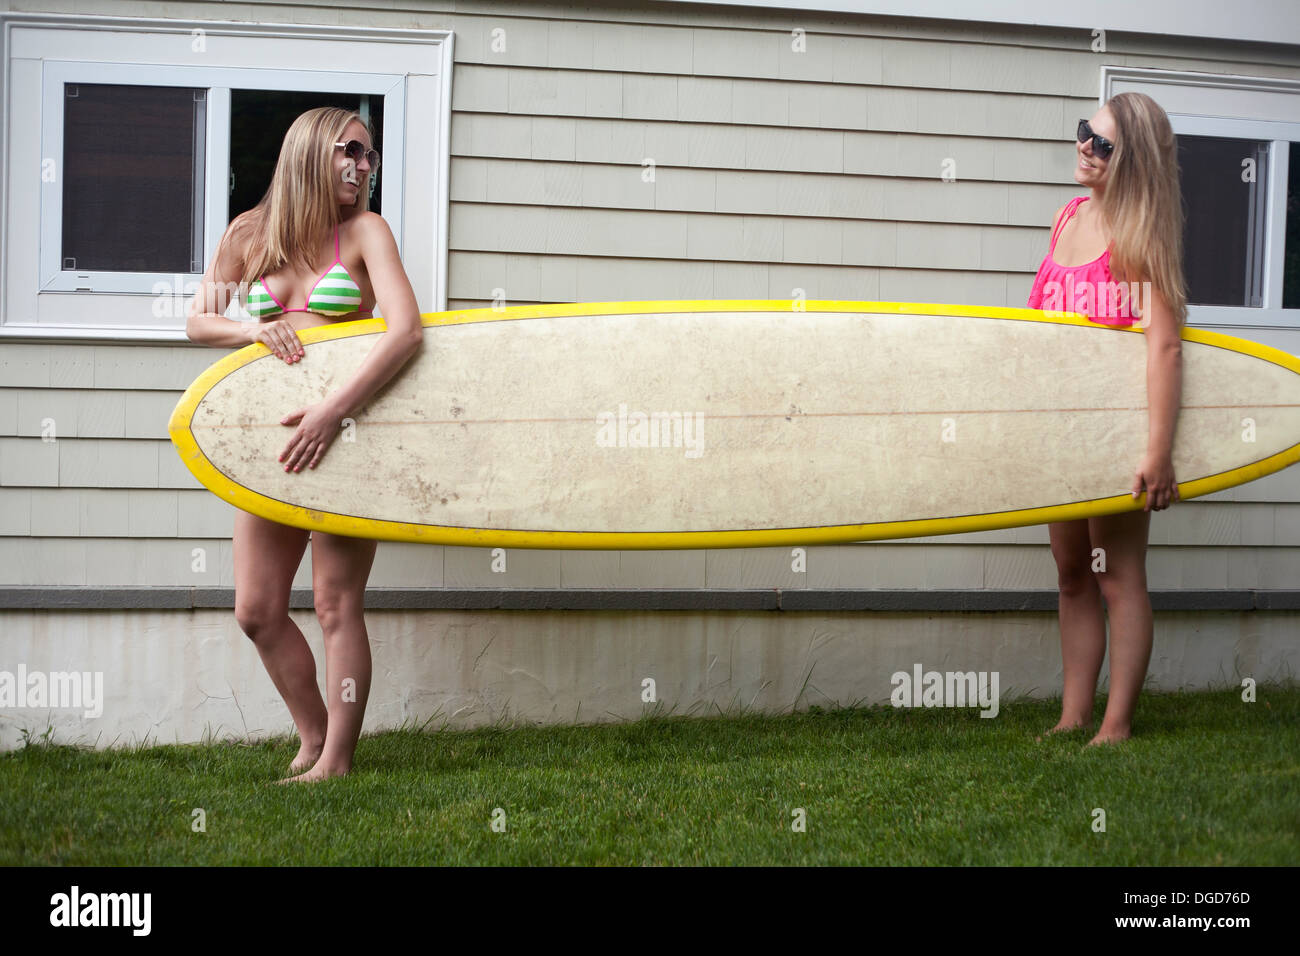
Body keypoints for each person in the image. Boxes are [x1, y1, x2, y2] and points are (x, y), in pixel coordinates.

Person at [186, 107, 423, 781]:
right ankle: (314, 733)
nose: (361, 165)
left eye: (369, 155)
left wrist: (332, 412)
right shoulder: (249, 235)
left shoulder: (367, 232)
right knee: (257, 610)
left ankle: (337, 762)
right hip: (269, 447)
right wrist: (250, 332)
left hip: (346, 435)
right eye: (350, 150)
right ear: (310, 152)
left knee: (334, 604)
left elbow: (405, 332)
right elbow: (198, 320)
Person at [1026, 92, 1187, 746]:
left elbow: (1165, 346)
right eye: (1083, 132)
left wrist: (1157, 450)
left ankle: (1115, 725)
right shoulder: (1067, 216)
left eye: (1104, 144)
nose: (1085, 147)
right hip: (1059, 430)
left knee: (1115, 576)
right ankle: (1073, 716)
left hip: (1116, 434)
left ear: (1134, 161)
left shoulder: (1139, 237)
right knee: (1070, 573)